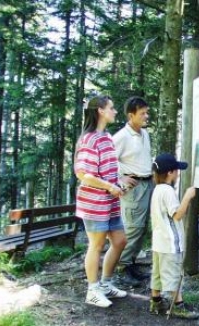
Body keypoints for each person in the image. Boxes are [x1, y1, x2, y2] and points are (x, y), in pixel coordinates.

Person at [74, 95, 128, 308]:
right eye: (112, 108)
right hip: (94, 203)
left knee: (120, 241)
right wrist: (109, 186)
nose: (115, 112)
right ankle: (93, 290)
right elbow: (83, 174)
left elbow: (108, 170)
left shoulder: (106, 137)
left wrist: (119, 182)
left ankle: (105, 284)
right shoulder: (89, 139)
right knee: (96, 245)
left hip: (111, 202)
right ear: (100, 111)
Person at [149, 153, 199, 320]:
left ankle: (155, 301)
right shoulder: (168, 191)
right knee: (174, 275)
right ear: (170, 172)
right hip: (171, 244)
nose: (178, 173)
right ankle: (178, 306)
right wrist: (187, 196)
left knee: (157, 273)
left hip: (159, 243)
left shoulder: (157, 189)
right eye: (177, 170)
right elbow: (177, 215)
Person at [113, 96, 154, 287]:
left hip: (147, 183)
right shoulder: (121, 136)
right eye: (142, 113)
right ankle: (122, 267)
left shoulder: (144, 134)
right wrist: (120, 177)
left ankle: (131, 263)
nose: (147, 116)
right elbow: (107, 160)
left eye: (147, 112)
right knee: (133, 227)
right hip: (133, 187)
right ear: (131, 115)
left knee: (142, 227)